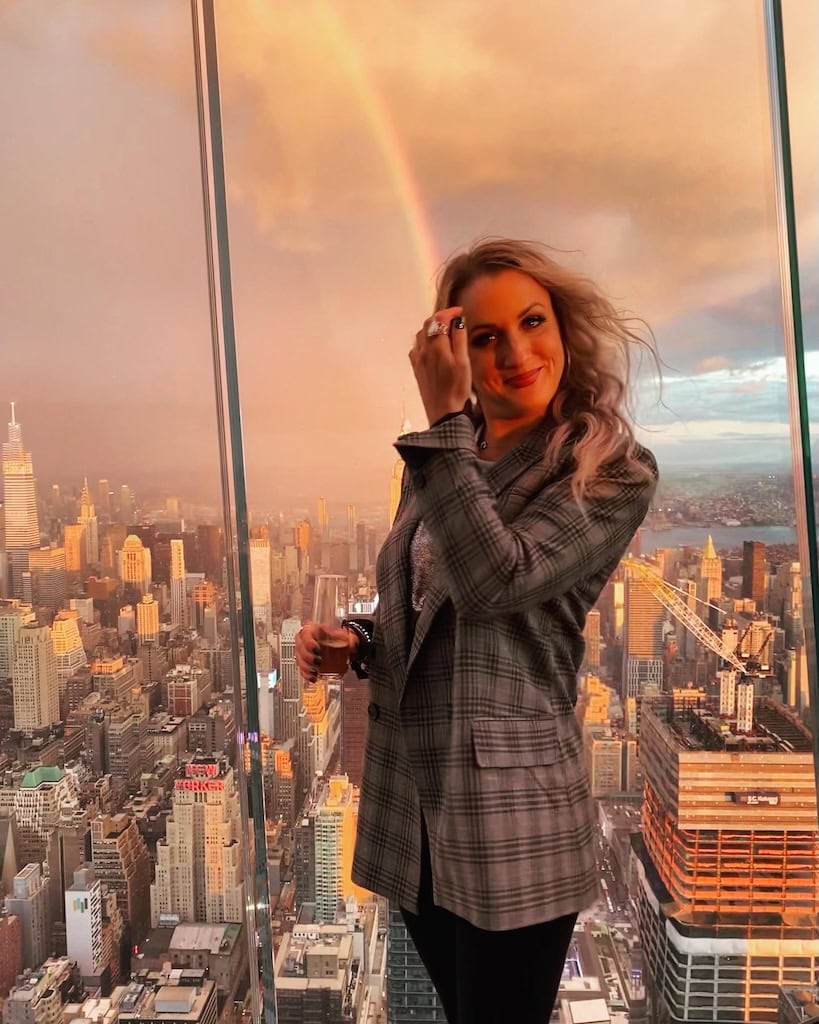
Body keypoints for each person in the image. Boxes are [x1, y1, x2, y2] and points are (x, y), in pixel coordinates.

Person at [296, 238, 658, 1023]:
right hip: (413, 810)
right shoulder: (439, 459)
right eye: (484, 337)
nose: (516, 352)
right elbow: (432, 609)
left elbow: (499, 582)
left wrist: (443, 426)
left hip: (510, 823)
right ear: (454, 350)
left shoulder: (608, 470)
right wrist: (357, 643)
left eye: (531, 322)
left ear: (563, 327)